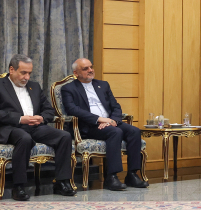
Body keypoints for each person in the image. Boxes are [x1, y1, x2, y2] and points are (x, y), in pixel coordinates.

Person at [0, 54, 76, 201]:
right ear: (12, 70)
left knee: (64, 136)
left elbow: (49, 110)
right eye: (23, 73)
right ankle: (18, 187)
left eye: (29, 73)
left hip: (35, 126)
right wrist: (20, 119)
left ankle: (62, 182)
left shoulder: (35, 86)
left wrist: (42, 118)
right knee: (24, 138)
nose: (26, 77)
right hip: (11, 127)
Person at [61, 58, 148, 190]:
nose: (90, 70)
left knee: (134, 131)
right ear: (76, 73)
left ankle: (132, 175)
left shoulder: (103, 85)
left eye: (91, 67)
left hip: (110, 122)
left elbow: (116, 106)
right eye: (85, 69)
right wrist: (100, 119)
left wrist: (112, 121)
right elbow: (72, 110)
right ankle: (111, 177)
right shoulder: (68, 88)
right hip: (88, 126)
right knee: (115, 132)